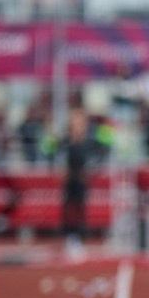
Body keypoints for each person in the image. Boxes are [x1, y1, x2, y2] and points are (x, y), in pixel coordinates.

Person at [59, 108, 99, 262]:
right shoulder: (66, 140)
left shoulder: (88, 141)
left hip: (81, 180)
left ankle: (79, 238)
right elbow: (57, 155)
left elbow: (96, 157)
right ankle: (69, 237)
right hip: (70, 180)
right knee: (68, 208)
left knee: (81, 208)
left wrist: (89, 171)